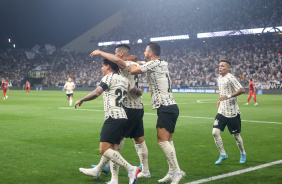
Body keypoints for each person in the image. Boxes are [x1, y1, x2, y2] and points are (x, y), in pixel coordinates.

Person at [89, 44, 150, 184]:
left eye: (116, 53)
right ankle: (145, 170)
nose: (114, 55)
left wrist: (100, 52)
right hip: (137, 106)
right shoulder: (133, 62)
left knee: (115, 141)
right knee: (139, 140)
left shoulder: (124, 64)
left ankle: (103, 168)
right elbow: (133, 57)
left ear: (121, 55)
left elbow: (118, 61)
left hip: (128, 107)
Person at [75, 59, 140, 184]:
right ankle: (114, 179)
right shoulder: (125, 80)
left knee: (104, 149)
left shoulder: (108, 78)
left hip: (113, 116)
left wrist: (82, 99)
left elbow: (96, 93)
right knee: (113, 150)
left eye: (102, 66)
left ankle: (131, 168)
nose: (101, 68)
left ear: (108, 66)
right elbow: (138, 92)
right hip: (122, 116)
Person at [130, 42, 186, 184]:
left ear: (151, 53)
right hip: (170, 106)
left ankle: (177, 171)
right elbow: (141, 62)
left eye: (145, 51)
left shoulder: (154, 63)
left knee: (162, 141)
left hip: (166, 107)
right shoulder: (160, 63)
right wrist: (133, 60)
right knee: (169, 141)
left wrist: (126, 62)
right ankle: (171, 171)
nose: (144, 53)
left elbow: (133, 71)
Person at [212, 60, 247, 165]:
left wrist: (227, 96)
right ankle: (223, 154)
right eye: (219, 66)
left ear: (228, 68)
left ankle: (242, 153)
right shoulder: (219, 78)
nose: (220, 68)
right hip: (222, 111)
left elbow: (242, 90)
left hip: (232, 112)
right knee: (214, 132)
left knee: (236, 136)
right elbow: (223, 93)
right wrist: (220, 100)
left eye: (222, 66)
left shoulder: (231, 77)